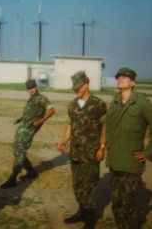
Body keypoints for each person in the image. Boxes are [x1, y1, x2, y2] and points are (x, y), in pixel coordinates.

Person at [105, 67, 152, 229]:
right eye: (119, 77)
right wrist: (105, 145)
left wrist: (149, 152)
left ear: (133, 82)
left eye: (125, 77)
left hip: (131, 164)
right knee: (117, 203)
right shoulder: (115, 102)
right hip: (115, 162)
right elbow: (108, 125)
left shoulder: (142, 103)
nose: (120, 79)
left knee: (128, 205)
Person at [56, 71, 107, 229]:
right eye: (74, 87)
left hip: (91, 152)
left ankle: (90, 218)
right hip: (76, 152)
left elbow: (105, 127)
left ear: (86, 84)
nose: (76, 90)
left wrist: (102, 147)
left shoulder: (99, 104)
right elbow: (70, 125)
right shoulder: (72, 105)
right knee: (77, 183)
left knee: (89, 184)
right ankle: (81, 211)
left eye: (78, 87)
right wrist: (64, 141)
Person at [0, 79, 55, 189]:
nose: (31, 90)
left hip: (29, 129)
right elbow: (30, 112)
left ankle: (13, 178)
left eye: (33, 88)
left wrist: (41, 120)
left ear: (36, 87)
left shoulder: (41, 98)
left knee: (19, 151)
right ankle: (31, 172)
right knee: (16, 149)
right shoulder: (32, 99)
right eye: (29, 89)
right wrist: (20, 119)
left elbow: (52, 110)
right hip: (23, 127)